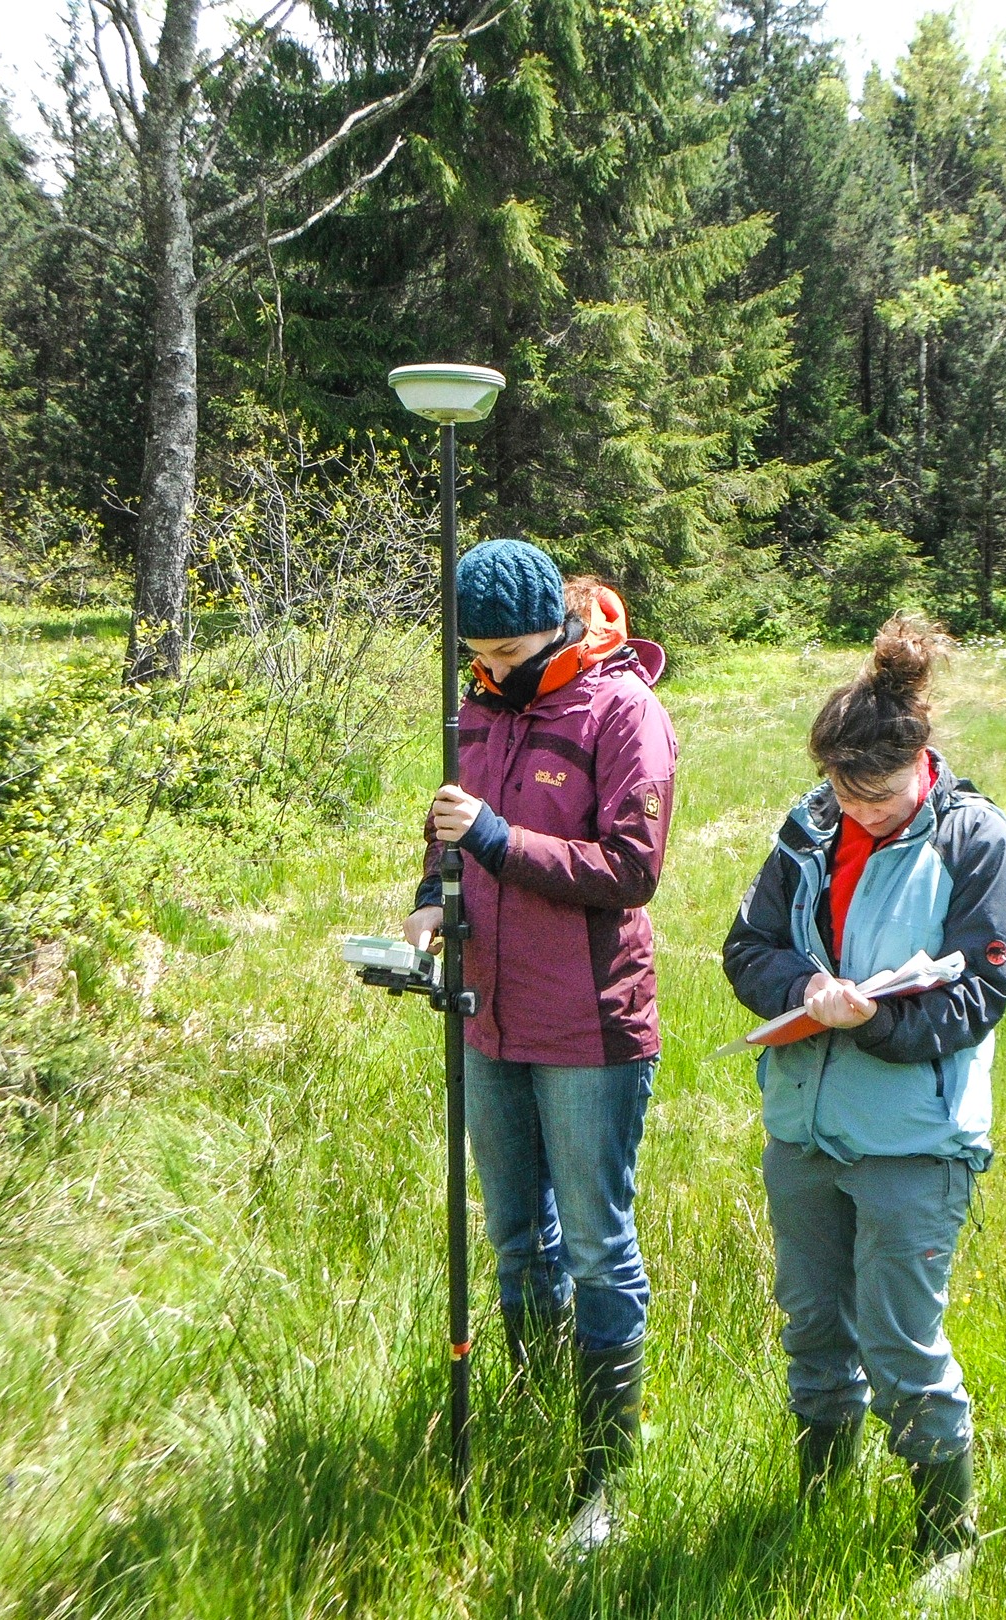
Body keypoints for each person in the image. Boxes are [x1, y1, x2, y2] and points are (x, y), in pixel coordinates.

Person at [721, 614, 1006, 1598]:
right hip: (803, 1131)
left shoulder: (975, 838)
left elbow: (981, 994)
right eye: (848, 794)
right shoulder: (809, 825)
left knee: (900, 1346)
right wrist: (803, 991)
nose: (863, 814)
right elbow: (747, 950)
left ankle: (948, 1539)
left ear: (921, 760)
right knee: (813, 1329)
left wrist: (870, 1022)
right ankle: (818, 1504)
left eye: (882, 796)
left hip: (915, 1141)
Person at [403, 538, 676, 1550]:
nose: (497, 668)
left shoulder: (621, 712)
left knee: (600, 1248)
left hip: (589, 1025)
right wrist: (431, 905)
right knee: (517, 1239)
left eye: (512, 649)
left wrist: (493, 842)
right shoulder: (476, 704)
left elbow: (630, 868)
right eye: (479, 652)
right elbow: (445, 830)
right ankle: (526, 1416)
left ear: (559, 625)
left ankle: (603, 1479)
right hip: (487, 1010)